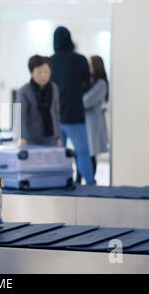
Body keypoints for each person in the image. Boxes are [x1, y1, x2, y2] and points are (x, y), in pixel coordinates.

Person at [50, 26, 95, 185]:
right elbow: (87, 84)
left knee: (57, 154)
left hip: (55, 115)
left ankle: (60, 184)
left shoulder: (50, 61)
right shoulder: (80, 59)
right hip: (75, 114)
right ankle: (90, 185)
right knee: (82, 153)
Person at [16, 55, 61, 146]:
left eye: (46, 72)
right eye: (39, 72)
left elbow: (56, 113)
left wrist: (58, 137)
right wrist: (22, 137)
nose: (43, 75)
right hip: (31, 138)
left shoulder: (54, 88)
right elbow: (21, 116)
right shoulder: (24, 91)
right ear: (32, 73)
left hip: (51, 137)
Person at [82, 55, 109, 181]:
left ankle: (91, 180)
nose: (88, 68)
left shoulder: (101, 84)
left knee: (91, 153)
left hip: (93, 121)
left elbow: (86, 101)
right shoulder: (89, 82)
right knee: (85, 152)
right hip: (86, 121)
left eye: (90, 65)